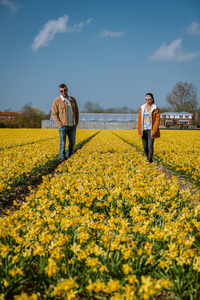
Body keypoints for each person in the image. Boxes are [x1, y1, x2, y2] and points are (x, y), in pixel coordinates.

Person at [52, 83, 79, 162]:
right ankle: (63, 159)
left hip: (72, 126)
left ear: (67, 90)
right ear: (60, 92)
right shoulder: (56, 101)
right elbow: (54, 114)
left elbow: (77, 111)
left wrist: (76, 122)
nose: (63, 92)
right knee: (62, 144)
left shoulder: (73, 100)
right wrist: (59, 125)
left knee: (72, 143)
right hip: (63, 126)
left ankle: (69, 156)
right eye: (61, 91)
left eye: (64, 90)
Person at [137, 93, 160, 163]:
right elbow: (139, 118)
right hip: (143, 129)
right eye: (146, 98)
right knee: (145, 146)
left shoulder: (155, 108)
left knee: (150, 145)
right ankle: (147, 157)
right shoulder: (142, 108)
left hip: (151, 129)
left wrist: (154, 130)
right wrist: (138, 127)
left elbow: (157, 119)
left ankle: (150, 160)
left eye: (149, 98)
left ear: (152, 99)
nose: (147, 99)